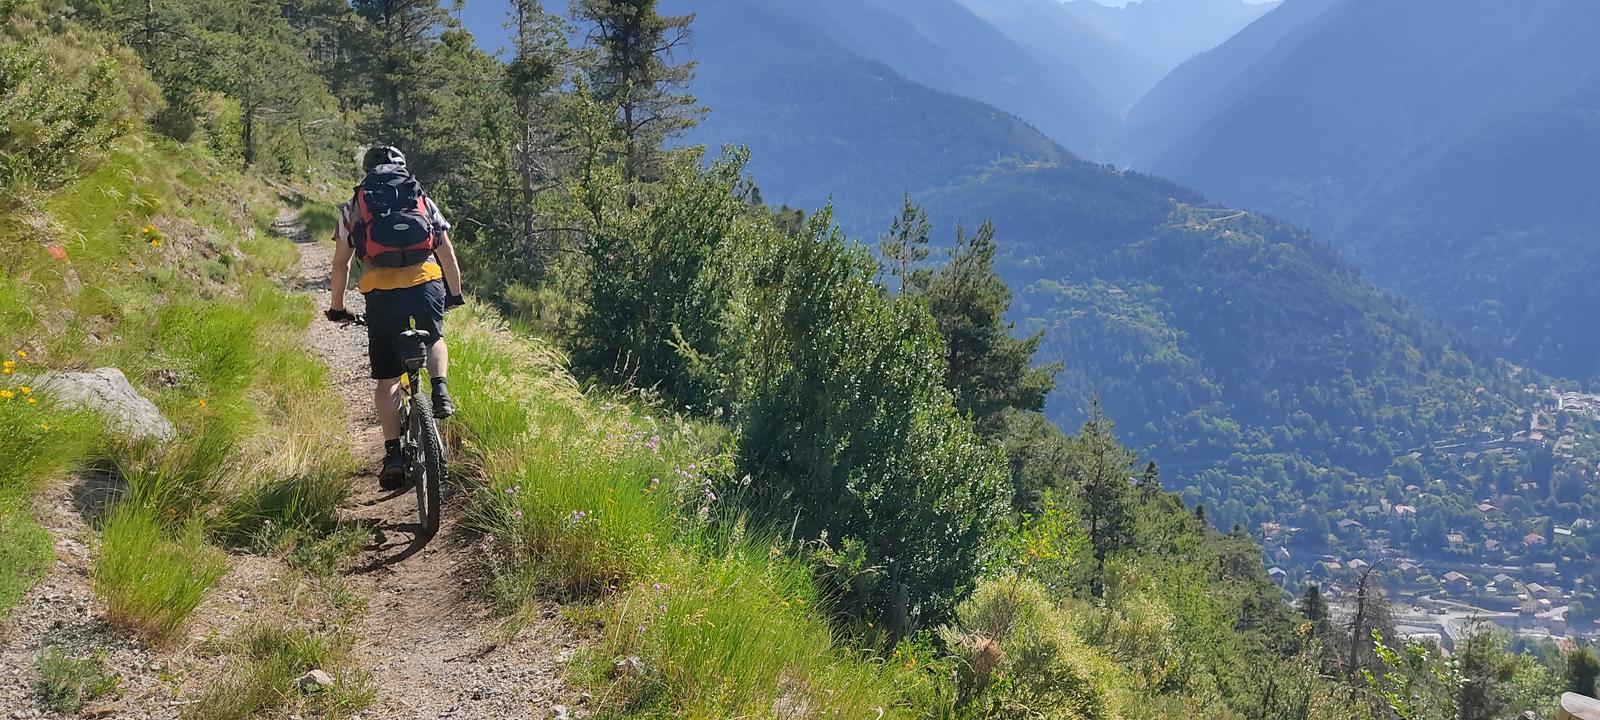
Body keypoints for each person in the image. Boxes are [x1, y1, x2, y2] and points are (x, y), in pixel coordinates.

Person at [325, 146, 465, 489]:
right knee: (434, 338)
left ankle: (393, 455)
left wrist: (337, 307)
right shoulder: (420, 197)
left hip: (381, 292)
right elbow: (445, 251)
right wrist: (454, 293)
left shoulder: (355, 207)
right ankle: (440, 389)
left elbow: (340, 264)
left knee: (388, 379)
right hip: (426, 283)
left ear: (367, 172)